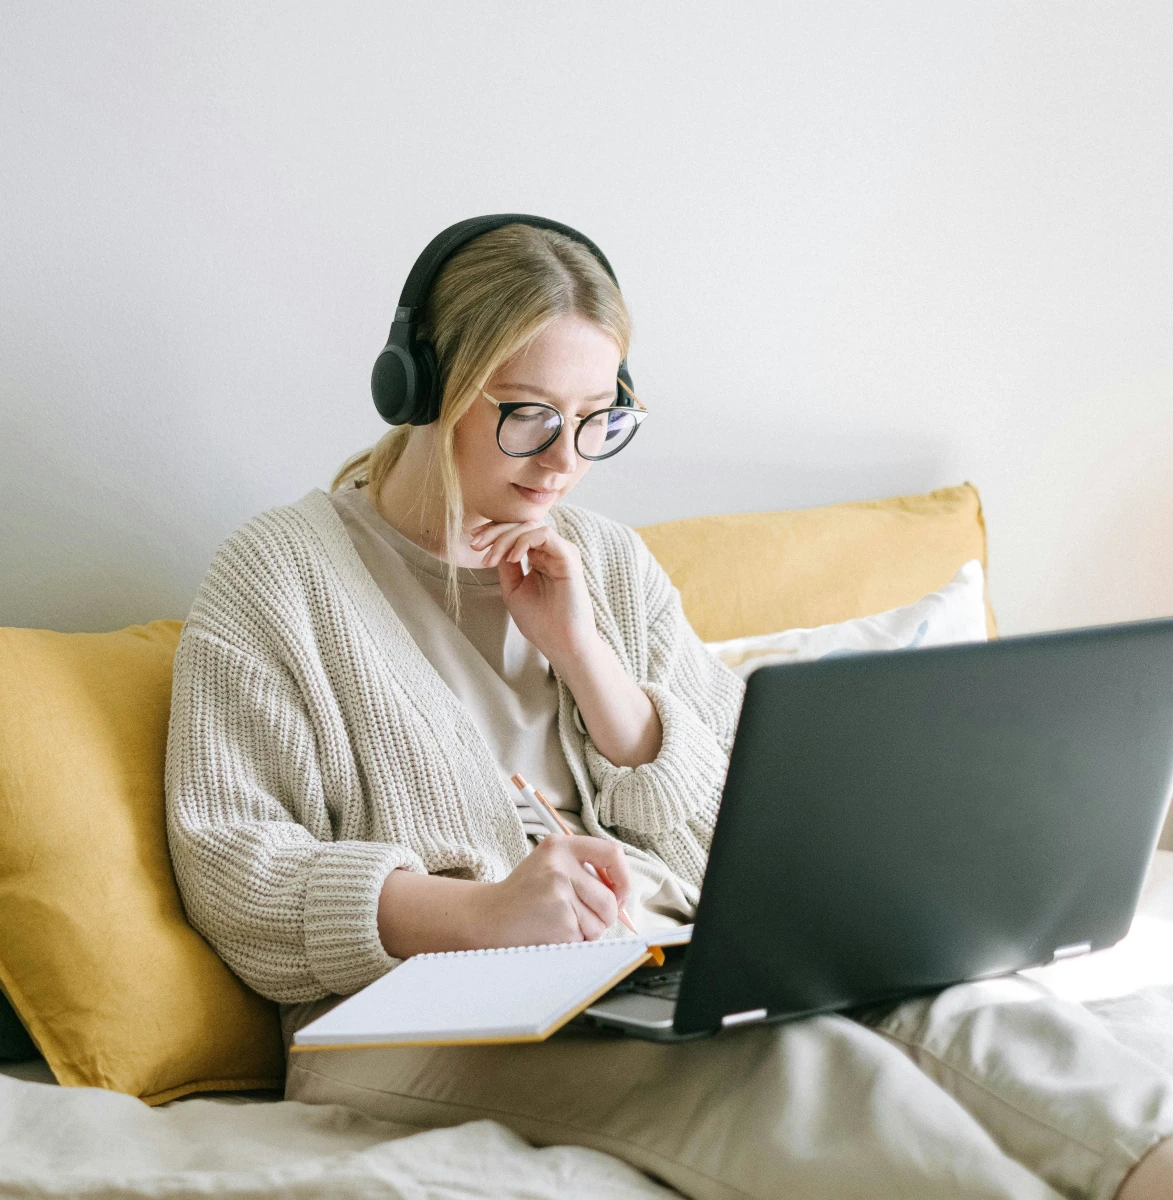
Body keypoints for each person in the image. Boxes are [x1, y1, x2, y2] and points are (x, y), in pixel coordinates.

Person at [165, 218, 1173, 1200]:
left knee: (982, 1018)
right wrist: (480, 914)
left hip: (656, 962)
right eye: (526, 413)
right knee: (809, 1079)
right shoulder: (278, 577)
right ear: (423, 390)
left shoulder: (604, 561)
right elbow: (236, 870)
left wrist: (589, 659)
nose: (564, 460)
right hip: (408, 1018)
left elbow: (745, 817)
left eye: (597, 418)